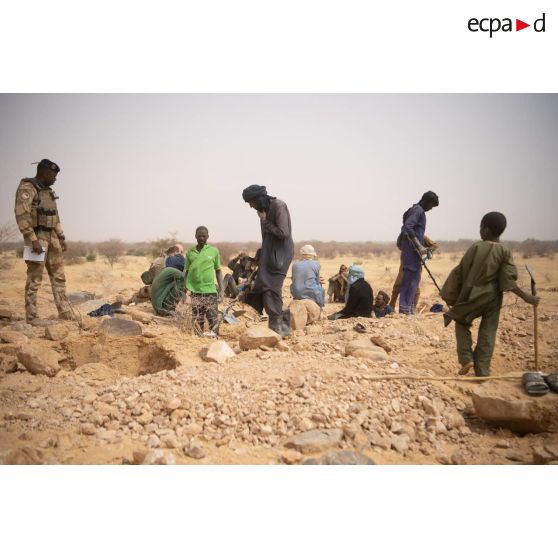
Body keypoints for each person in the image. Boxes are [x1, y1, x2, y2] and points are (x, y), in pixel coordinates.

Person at [440, 212, 539, 377]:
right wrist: (527, 297)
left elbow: (460, 272)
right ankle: (483, 370)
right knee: (488, 332)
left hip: (472, 297)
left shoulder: (476, 247)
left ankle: (466, 359)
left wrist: (449, 296)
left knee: (460, 320)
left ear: (485, 230)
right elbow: (508, 280)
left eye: (480, 227)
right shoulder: (505, 251)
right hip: (493, 300)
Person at [14, 159, 72, 324]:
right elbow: (22, 215)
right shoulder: (27, 188)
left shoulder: (49, 192)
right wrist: (32, 240)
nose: (55, 178)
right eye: (53, 175)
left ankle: (65, 312)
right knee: (35, 277)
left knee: (59, 276)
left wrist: (61, 237)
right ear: (44, 172)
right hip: (36, 237)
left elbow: (55, 216)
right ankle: (32, 316)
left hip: (52, 237)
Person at [242, 184, 294, 336]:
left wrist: (265, 222)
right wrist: (260, 253)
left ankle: (282, 331)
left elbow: (284, 233)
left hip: (280, 257)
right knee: (259, 288)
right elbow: (267, 237)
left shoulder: (279, 206)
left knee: (271, 290)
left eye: (251, 202)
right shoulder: (262, 210)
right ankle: (263, 329)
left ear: (258, 198)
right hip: (268, 254)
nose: (251, 206)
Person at [397, 191, 439, 315]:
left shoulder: (416, 209)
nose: (431, 209)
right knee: (409, 279)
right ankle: (405, 309)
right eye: (431, 206)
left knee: (413, 280)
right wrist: (420, 246)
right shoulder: (418, 210)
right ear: (427, 201)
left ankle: (408, 308)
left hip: (413, 251)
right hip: (412, 251)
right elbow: (407, 227)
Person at [184, 226, 224, 336]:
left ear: (208, 237)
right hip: (195, 291)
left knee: (213, 318)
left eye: (204, 236)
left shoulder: (214, 251)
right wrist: (184, 287)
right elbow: (186, 271)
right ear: (195, 236)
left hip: (210, 290)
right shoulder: (190, 252)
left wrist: (222, 290)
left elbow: (218, 271)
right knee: (197, 319)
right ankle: (198, 341)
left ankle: (214, 340)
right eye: (199, 236)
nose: (202, 238)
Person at [389, 235, 437, 309]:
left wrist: (425, 252)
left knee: (415, 286)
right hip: (404, 263)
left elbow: (434, 245)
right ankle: (391, 306)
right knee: (397, 285)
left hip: (416, 264)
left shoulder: (422, 236)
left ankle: (413, 307)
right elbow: (399, 245)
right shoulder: (404, 235)